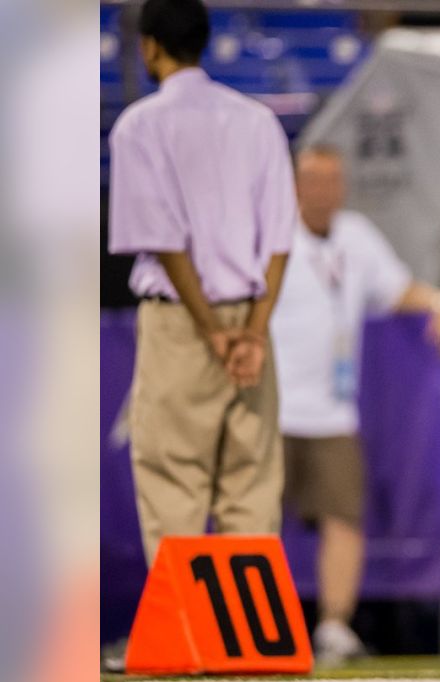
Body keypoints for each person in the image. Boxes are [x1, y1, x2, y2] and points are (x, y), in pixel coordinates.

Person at [107, 0, 295, 566]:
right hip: (251, 317)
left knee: (174, 482)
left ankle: (188, 643)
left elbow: (164, 241)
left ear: (149, 46)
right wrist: (253, 334)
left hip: (183, 322)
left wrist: (213, 332)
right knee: (251, 484)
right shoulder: (257, 120)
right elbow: (279, 241)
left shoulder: (140, 124)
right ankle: (248, 645)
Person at [271, 145, 440, 666]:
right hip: (270, 405)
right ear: (293, 185)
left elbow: (400, 289)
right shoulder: (271, 235)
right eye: (312, 179)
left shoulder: (356, 238)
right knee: (253, 517)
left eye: (331, 180)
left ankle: (333, 626)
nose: (322, 190)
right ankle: (252, 622)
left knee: (344, 518)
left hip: (333, 409)